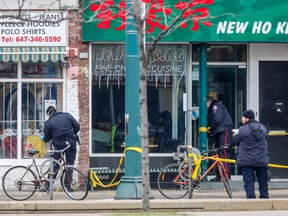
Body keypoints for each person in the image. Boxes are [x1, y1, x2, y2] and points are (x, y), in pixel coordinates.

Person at [232, 110, 269, 199]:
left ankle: (251, 197)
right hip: (261, 159)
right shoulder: (263, 128)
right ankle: (264, 197)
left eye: (242, 117)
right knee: (263, 180)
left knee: (248, 181)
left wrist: (235, 135)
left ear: (246, 118)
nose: (242, 119)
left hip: (246, 160)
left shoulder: (242, 129)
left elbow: (235, 142)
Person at [43, 106, 80, 181]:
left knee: (55, 164)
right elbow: (77, 127)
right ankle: (68, 186)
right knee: (70, 165)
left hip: (59, 144)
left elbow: (46, 138)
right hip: (72, 142)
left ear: (49, 114)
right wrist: (72, 134)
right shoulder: (67, 115)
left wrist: (44, 139)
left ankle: (48, 185)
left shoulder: (49, 122)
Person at [207, 96, 233, 181]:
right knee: (219, 153)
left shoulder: (216, 106)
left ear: (208, 102)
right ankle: (220, 175)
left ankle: (225, 174)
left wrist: (209, 127)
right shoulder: (216, 107)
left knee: (223, 152)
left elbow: (217, 119)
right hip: (220, 132)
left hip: (223, 132)